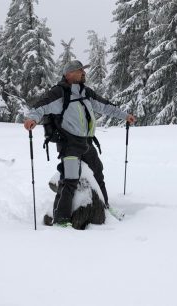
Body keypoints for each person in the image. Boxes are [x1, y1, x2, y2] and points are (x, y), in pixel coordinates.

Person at [24, 60, 135, 226]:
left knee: (98, 173)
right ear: (68, 74)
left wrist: (125, 116)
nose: (83, 73)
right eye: (79, 70)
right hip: (69, 144)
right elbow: (41, 106)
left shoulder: (85, 92)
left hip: (86, 142)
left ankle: (105, 206)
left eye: (83, 70)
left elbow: (106, 107)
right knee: (70, 179)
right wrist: (32, 118)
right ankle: (61, 219)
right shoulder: (59, 92)